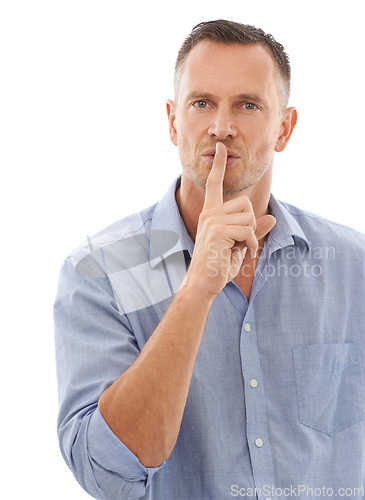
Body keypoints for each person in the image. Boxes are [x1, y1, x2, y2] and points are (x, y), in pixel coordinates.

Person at [54, 19, 365, 500]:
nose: (221, 127)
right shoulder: (102, 272)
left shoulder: (352, 267)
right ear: (173, 121)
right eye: (201, 103)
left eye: (248, 104)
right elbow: (108, 476)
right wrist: (198, 288)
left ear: (285, 128)